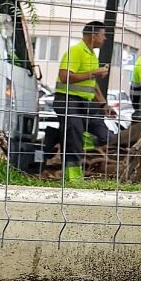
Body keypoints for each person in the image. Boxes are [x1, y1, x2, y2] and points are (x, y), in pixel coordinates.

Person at [44, 20, 113, 178]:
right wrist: (94, 72)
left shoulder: (91, 55)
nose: (105, 39)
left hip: (84, 103)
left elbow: (92, 85)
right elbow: (64, 77)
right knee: (73, 139)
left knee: (105, 135)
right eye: (103, 35)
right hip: (68, 100)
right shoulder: (76, 51)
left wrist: (103, 104)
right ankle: (73, 177)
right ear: (94, 35)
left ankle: (59, 138)